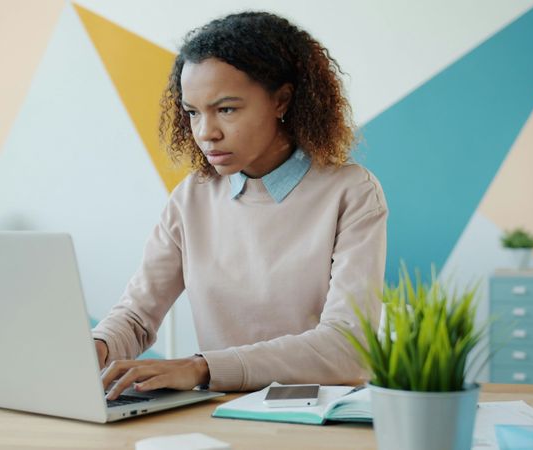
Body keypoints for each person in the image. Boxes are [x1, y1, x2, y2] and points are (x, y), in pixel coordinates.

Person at [93, 11, 388, 401]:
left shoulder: (351, 192)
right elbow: (135, 317)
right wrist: (94, 350)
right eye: (193, 112)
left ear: (281, 100)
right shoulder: (192, 196)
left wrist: (202, 367)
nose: (205, 133)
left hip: (319, 417)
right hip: (224, 414)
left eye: (226, 109)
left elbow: (347, 347)